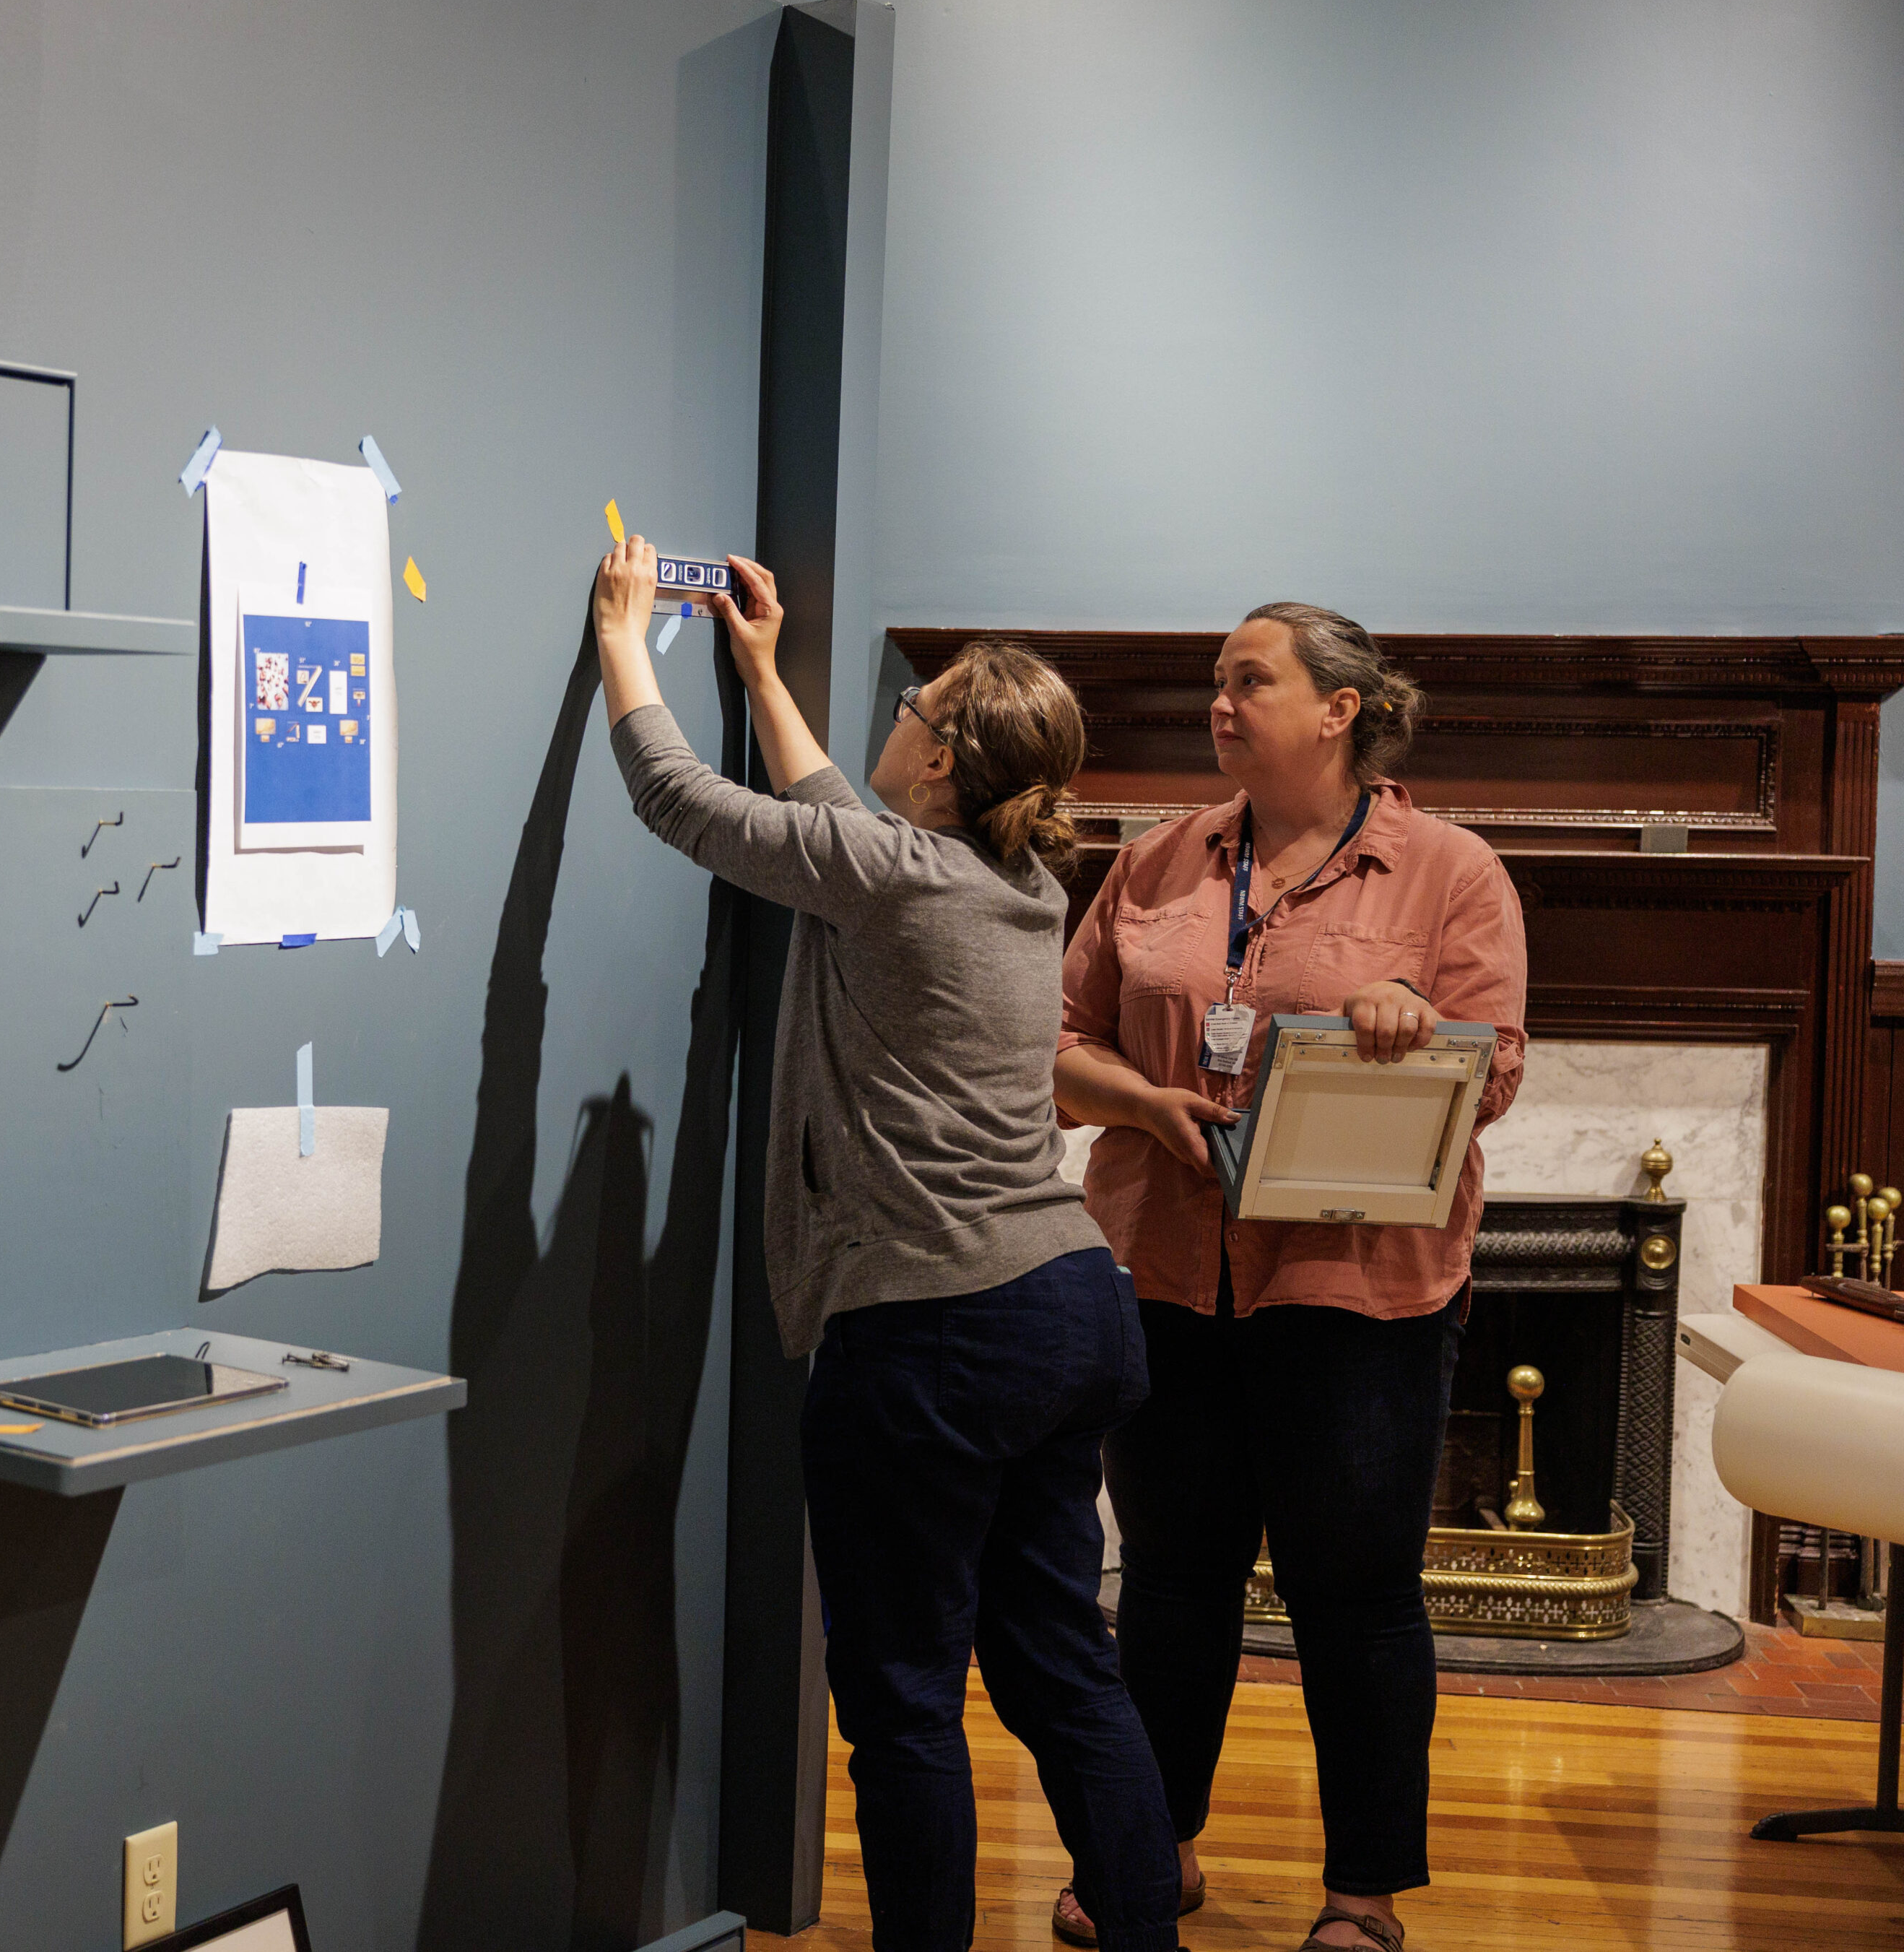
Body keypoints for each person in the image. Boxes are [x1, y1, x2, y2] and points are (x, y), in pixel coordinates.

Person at [591, 532, 1182, 1952]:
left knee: (907, 1699)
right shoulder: (1019, 886)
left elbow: (683, 797)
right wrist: (753, 662)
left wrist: (623, 638)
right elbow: (834, 820)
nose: (896, 718)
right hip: (1067, 1310)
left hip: (931, 1333)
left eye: (915, 712)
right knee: (1063, 1677)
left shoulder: (887, 874)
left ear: (938, 763)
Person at [1051, 604, 1527, 1952]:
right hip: (1164, 1277)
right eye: (1216, 681)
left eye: (1249, 680)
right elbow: (1060, 1039)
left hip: (1359, 1296)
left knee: (1357, 1593)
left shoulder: (1451, 873)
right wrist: (1147, 1105)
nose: (1220, 701)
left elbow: (1492, 1073)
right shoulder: (1153, 861)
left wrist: (1417, 1023)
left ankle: (1362, 1894)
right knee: (1172, 1579)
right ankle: (1156, 1855)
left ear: (1342, 710)